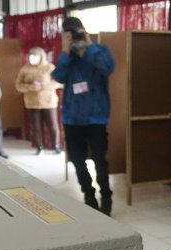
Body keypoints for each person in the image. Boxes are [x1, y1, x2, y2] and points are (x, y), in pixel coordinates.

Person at [52, 17, 115, 215]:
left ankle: (106, 195)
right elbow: (58, 77)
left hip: (96, 117)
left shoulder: (100, 51)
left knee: (99, 159)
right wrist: (65, 51)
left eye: (78, 32)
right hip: (72, 118)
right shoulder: (66, 56)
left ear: (85, 31)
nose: (75, 37)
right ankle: (88, 194)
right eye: (70, 35)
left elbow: (108, 68)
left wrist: (89, 47)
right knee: (78, 160)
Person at [15, 47, 61, 155]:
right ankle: (39, 147)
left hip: (48, 102)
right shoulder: (24, 69)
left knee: (52, 125)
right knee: (36, 126)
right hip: (32, 102)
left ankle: (56, 145)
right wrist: (29, 87)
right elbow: (18, 85)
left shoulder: (49, 67)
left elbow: (58, 83)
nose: (32, 58)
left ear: (41, 57)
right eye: (30, 56)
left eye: (34, 56)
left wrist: (42, 86)